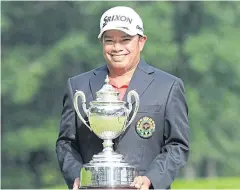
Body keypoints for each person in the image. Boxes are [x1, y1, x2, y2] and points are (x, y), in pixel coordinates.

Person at [56, 6, 190, 190]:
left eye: (125, 40)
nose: (117, 47)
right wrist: (77, 176)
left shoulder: (168, 87)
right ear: (102, 43)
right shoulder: (77, 86)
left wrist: (151, 178)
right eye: (109, 40)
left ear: (141, 41)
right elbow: (66, 144)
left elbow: (177, 145)